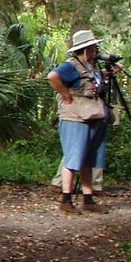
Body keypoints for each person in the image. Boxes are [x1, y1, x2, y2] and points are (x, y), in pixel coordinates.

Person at [46, 29, 111, 215]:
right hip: (75, 118)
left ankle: (88, 199)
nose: (96, 50)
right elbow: (52, 76)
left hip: (93, 116)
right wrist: (65, 94)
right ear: (85, 48)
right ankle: (66, 199)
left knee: (88, 159)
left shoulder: (90, 66)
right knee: (73, 158)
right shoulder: (70, 66)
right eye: (92, 47)